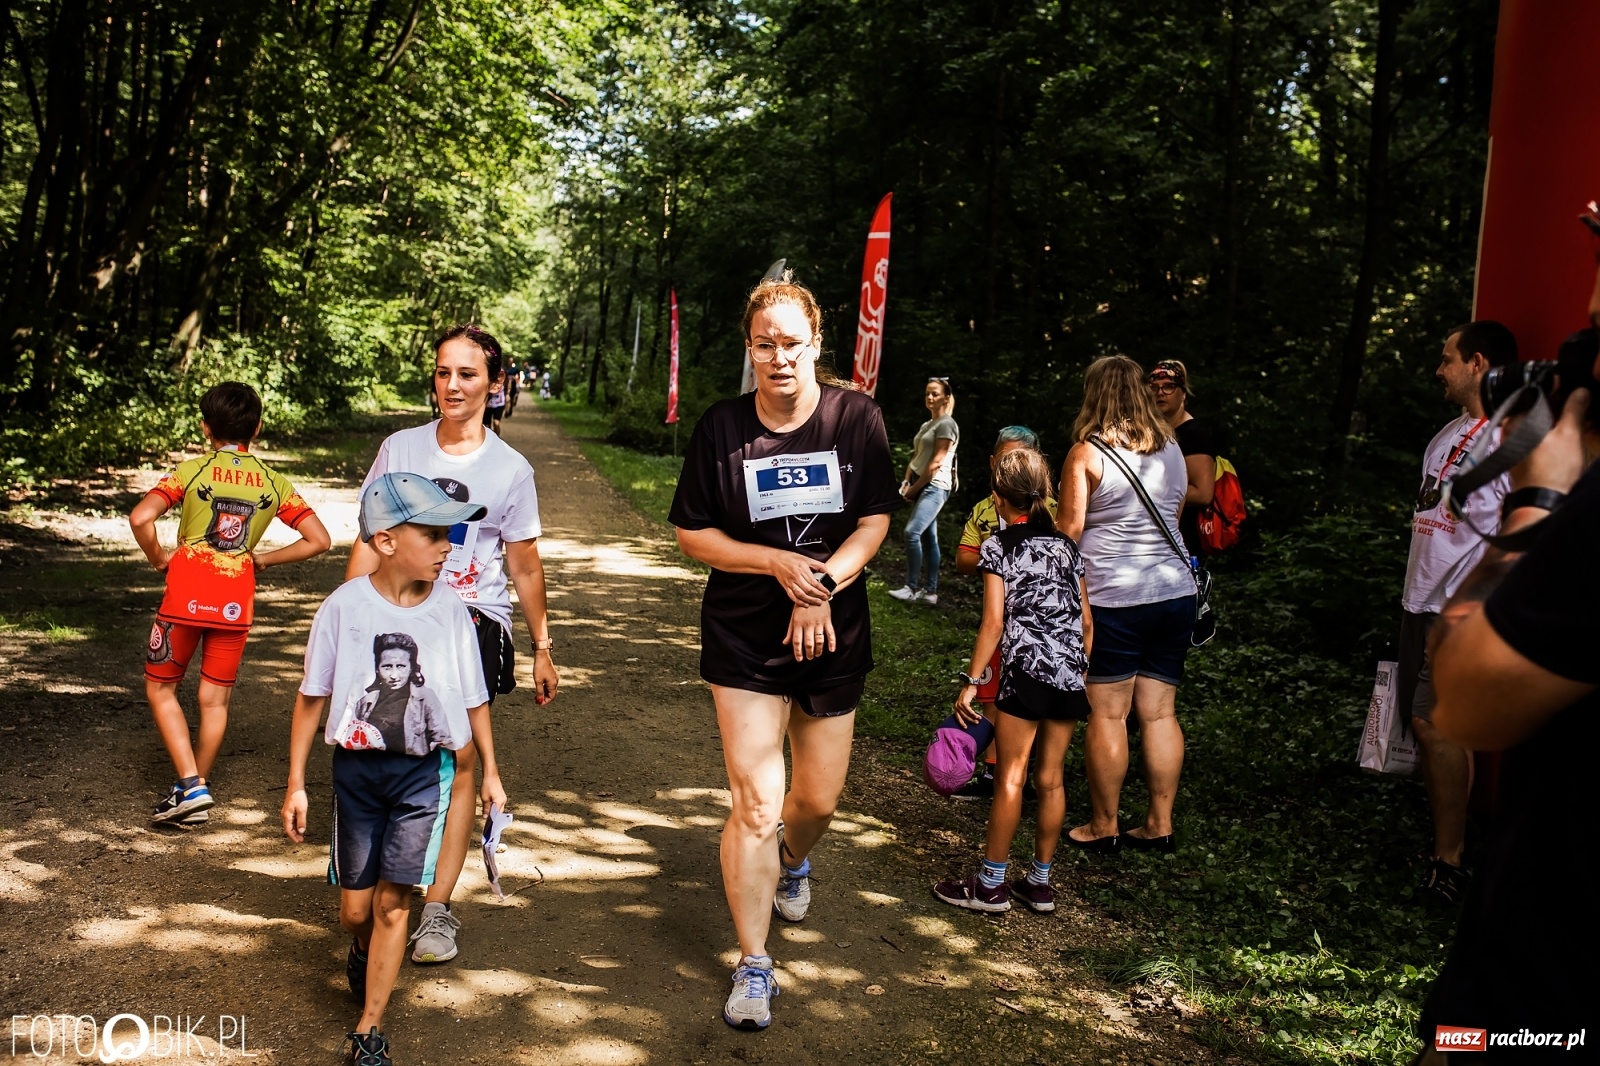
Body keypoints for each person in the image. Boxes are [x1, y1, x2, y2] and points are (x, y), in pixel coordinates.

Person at [669, 274, 898, 1031]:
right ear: (749, 349)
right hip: (743, 634)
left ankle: (793, 860)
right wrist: (775, 565)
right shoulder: (723, 428)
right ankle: (754, 961)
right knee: (757, 801)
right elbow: (692, 534)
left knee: (817, 801)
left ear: (816, 346)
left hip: (834, 629)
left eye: (791, 344)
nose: (778, 358)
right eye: (763, 344)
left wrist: (821, 584)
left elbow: (873, 522)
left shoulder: (855, 418)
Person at [347, 324, 559, 967]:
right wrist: (353, 615)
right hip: (399, 615)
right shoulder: (400, 448)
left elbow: (524, 565)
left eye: (468, 374)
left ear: (494, 386)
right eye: (443, 373)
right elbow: (368, 535)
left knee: (452, 760)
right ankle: (382, 888)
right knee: (388, 750)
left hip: (473, 623)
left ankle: (436, 909)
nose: (453, 386)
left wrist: (542, 644)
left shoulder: (510, 469)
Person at [1416, 312, 1599, 1057]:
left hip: (1550, 967)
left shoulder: (1586, 527)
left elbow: (1465, 700)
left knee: (1459, 1047)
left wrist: (1537, 505)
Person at [284, 472, 505, 1066]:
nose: (447, 546)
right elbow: (312, 696)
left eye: (449, 534)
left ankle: (369, 1029)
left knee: (391, 905)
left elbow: (474, 697)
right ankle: (366, 950)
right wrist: (296, 783)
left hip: (421, 776)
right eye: (433, 533)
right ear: (385, 541)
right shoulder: (343, 607)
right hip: (356, 775)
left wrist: (490, 772)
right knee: (356, 912)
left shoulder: (452, 611)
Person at [128, 382, 331, 825]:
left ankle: (191, 785)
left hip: (183, 598)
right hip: (235, 602)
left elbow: (141, 517)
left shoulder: (191, 471)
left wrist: (159, 556)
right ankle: (193, 792)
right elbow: (320, 540)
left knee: (161, 688)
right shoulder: (274, 482)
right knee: (214, 702)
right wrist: (262, 558)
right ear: (256, 428)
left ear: (206, 427)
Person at [933, 448, 1091, 914]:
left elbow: (993, 623)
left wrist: (972, 681)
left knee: (1011, 776)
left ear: (1000, 498)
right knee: (1052, 779)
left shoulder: (998, 547)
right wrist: (1077, 667)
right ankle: (1039, 884)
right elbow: (1085, 620)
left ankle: (990, 885)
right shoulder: (1066, 546)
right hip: (1068, 675)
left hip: (1024, 673)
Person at [1398, 320, 1516, 905]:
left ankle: (1450, 864)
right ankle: (1449, 845)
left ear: (1478, 363)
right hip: (1420, 600)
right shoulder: (1447, 434)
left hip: (1460, 608)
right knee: (1427, 727)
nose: (1439, 370)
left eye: (1447, 359)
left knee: (1433, 724)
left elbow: (1528, 522)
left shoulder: (1511, 436)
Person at [1056, 355, 1194, 853]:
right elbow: (1173, 517)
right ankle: (1160, 823)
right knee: (1159, 713)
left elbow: (1069, 537)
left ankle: (1104, 824)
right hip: (1174, 593)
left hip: (1114, 599)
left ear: (1094, 393)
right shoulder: (1173, 448)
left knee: (1108, 715)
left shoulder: (1087, 454)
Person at [949, 425, 1056, 800]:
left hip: (1041, 626)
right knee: (992, 696)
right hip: (1000, 622)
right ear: (993, 463)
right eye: (1004, 460)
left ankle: (1029, 777)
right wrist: (998, 557)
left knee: (1037, 700)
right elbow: (963, 557)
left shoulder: (1052, 512)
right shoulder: (983, 510)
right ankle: (995, 775)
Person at [889, 377, 959, 605]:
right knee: (929, 539)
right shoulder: (926, 425)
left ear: (946, 397)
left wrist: (914, 490)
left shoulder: (947, 424)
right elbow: (917, 457)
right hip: (920, 483)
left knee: (912, 533)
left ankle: (911, 587)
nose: (930, 397)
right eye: (928, 393)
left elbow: (936, 463)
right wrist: (908, 481)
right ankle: (930, 593)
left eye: (935, 394)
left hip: (935, 486)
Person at [1147, 360, 1215, 557]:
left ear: (1183, 393)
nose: (1160, 392)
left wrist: (1151, 491)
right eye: (1154, 387)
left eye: (1169, 387)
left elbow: (1203, 493)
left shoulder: (1194, 434)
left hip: (1186, 544)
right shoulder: (1156, 435)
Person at [483, 369, 508, 434]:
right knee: (486, 425)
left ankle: (497, 438)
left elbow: (508, 384)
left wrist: (507, 395)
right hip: (489, 404)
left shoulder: (503, 373)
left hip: (499, 404)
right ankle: (489, 439)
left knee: (496, 422)